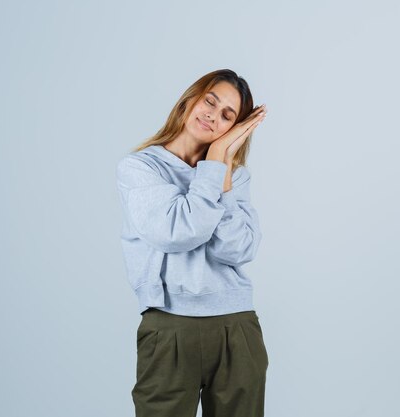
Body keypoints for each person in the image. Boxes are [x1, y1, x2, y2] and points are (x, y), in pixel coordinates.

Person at [115, 69, 269, 417]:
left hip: (237, 325)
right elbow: (179, 232)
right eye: (210, 101)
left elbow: (238, 249)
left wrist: (223, 172)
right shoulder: (140, 169)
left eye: (228, 115)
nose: (213, 115)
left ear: (234, 130)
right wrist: (215, 162)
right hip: (169, 324)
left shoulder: (235, 176)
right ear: (190, 100)